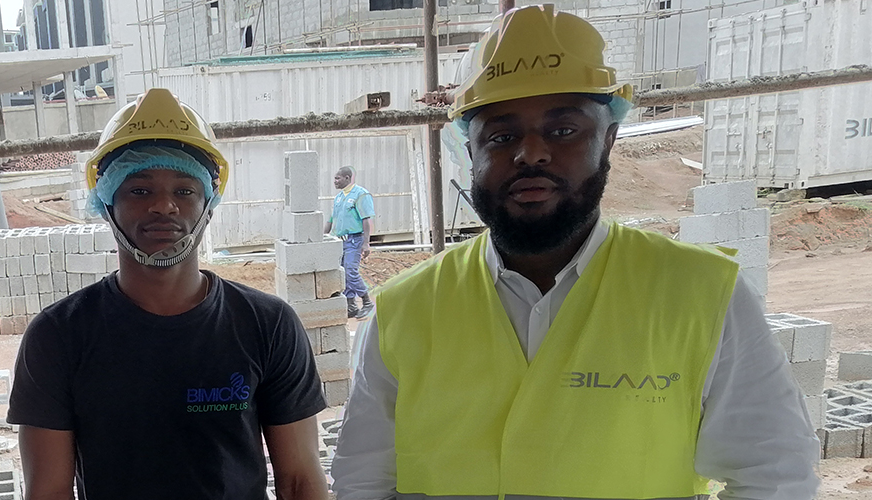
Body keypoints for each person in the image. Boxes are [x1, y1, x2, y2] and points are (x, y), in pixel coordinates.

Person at [330, 5, 820, 499]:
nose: (531, 153)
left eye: (563, 130)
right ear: (470, 152)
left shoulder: (702, 295)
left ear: (608, 139)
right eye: (501, 136)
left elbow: (775, 477)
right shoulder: (403, 311)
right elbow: (362, 485)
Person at [8, 88, 330, 500]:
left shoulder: (267, 324)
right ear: (106, 203)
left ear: (209, 204)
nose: (164, 206)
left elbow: (300, 481)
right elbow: (49, 492)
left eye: (184, 190)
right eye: (139, 191)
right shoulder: (58, 335)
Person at [326, 166, 376, 318]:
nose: (335, 181)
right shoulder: (339, 197)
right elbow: (331, 220)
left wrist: (366, 243)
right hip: (340, 241)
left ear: (347, 178)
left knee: (350, 271)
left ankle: (367, 302)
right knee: (343, 273)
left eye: (338, 178)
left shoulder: (361, 195)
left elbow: (366, 220)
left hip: (354, 240)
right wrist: (323, 238)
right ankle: (351, 305)